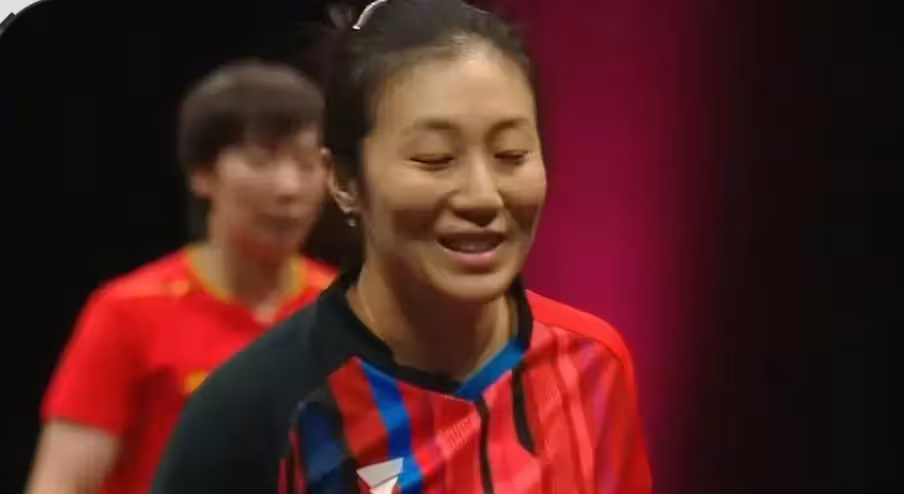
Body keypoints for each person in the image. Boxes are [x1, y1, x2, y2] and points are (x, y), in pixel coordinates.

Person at [151, 1, 652, 492]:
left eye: (511, 154)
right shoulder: (251, 413)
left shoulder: (593, 364)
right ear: (344, 179)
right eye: (435, 158)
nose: (483, 196)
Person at [25, 60, 336, 494]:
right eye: (261, 160)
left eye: (307, 164)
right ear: (202, 174)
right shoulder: (128, 312)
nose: (289, 188)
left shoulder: (346, 311)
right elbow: (59, 484)